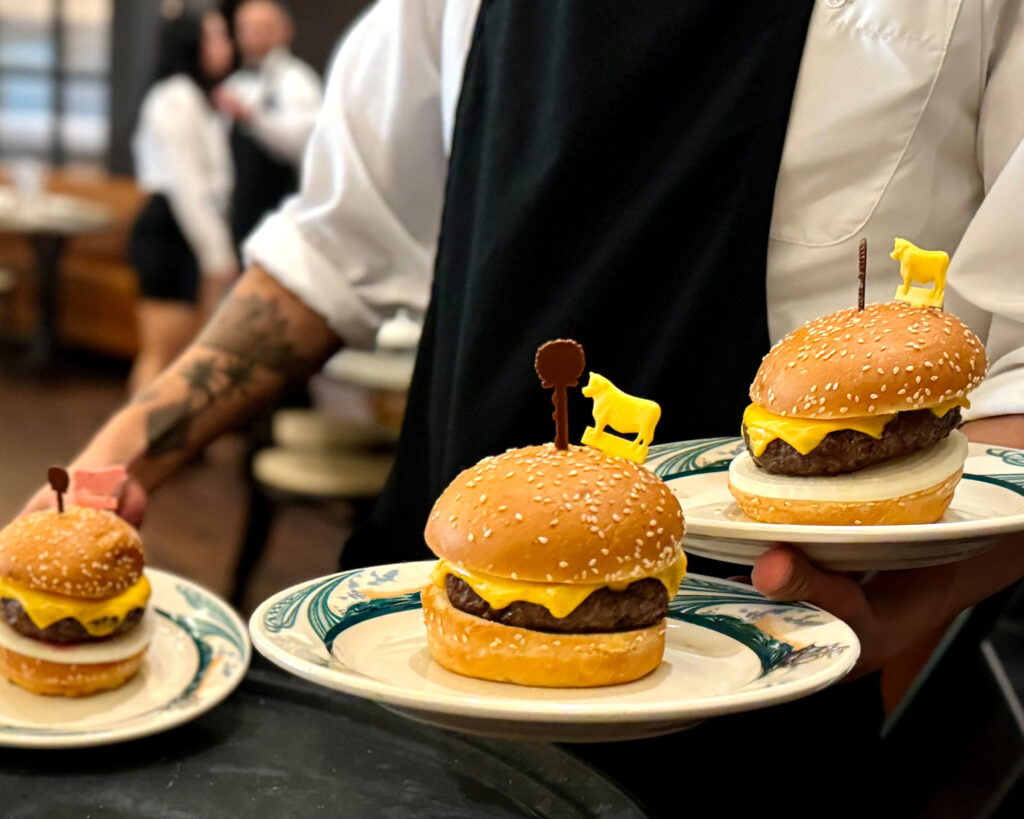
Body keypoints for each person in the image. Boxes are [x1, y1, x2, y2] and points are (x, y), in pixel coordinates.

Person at [22, 0, 1024, 814]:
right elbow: (330, 251)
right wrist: (122, 452)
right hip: (406, 632)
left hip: (761, 657)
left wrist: (921, 602)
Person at [127, 9, 237, 396]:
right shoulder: (177, 97)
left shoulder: (200, 98)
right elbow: (187, 187)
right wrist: (216, 255)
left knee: (180, 356)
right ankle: (136, 451)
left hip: (184, 231)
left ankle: (162, 445)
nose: (227, 45)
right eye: (217, 36)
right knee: (162, 353)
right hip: (169, 229)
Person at [212, 0, 322, 251]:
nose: (252, 35)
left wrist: (254, 119)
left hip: (281, 209)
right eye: (245, 27)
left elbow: (307, 144)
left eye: (261, 27)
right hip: (239, 209)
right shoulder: (235, 84)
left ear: (285, 31)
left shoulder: (298, 81)